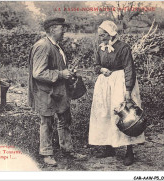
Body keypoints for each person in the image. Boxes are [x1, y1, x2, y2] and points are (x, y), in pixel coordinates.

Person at [28, 17, 85, 166]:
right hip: (45, 92)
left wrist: (68, 73)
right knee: (47, 122)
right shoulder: (43, 46)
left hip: (59, 90)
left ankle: (67, 149)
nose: (64, 31)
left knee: (65, 119)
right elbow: (38, 73)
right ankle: (46, 154)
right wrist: (61, 74)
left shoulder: (56, 46)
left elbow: (57, 66)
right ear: (53, 29)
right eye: (62, 28)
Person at [88, 20, 145, 166]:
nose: (101, 37)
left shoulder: (123, 48)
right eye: (100, 35)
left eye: (103, 35)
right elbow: (95, 65)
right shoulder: (100, 47)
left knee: (124, 115)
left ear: (111, 33)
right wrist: (101, 69)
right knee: (105, 113)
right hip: (104, 84)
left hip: (120, 83)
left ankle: (129, 151)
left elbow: (129, 69)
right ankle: (109, 147)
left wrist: (128, 90)